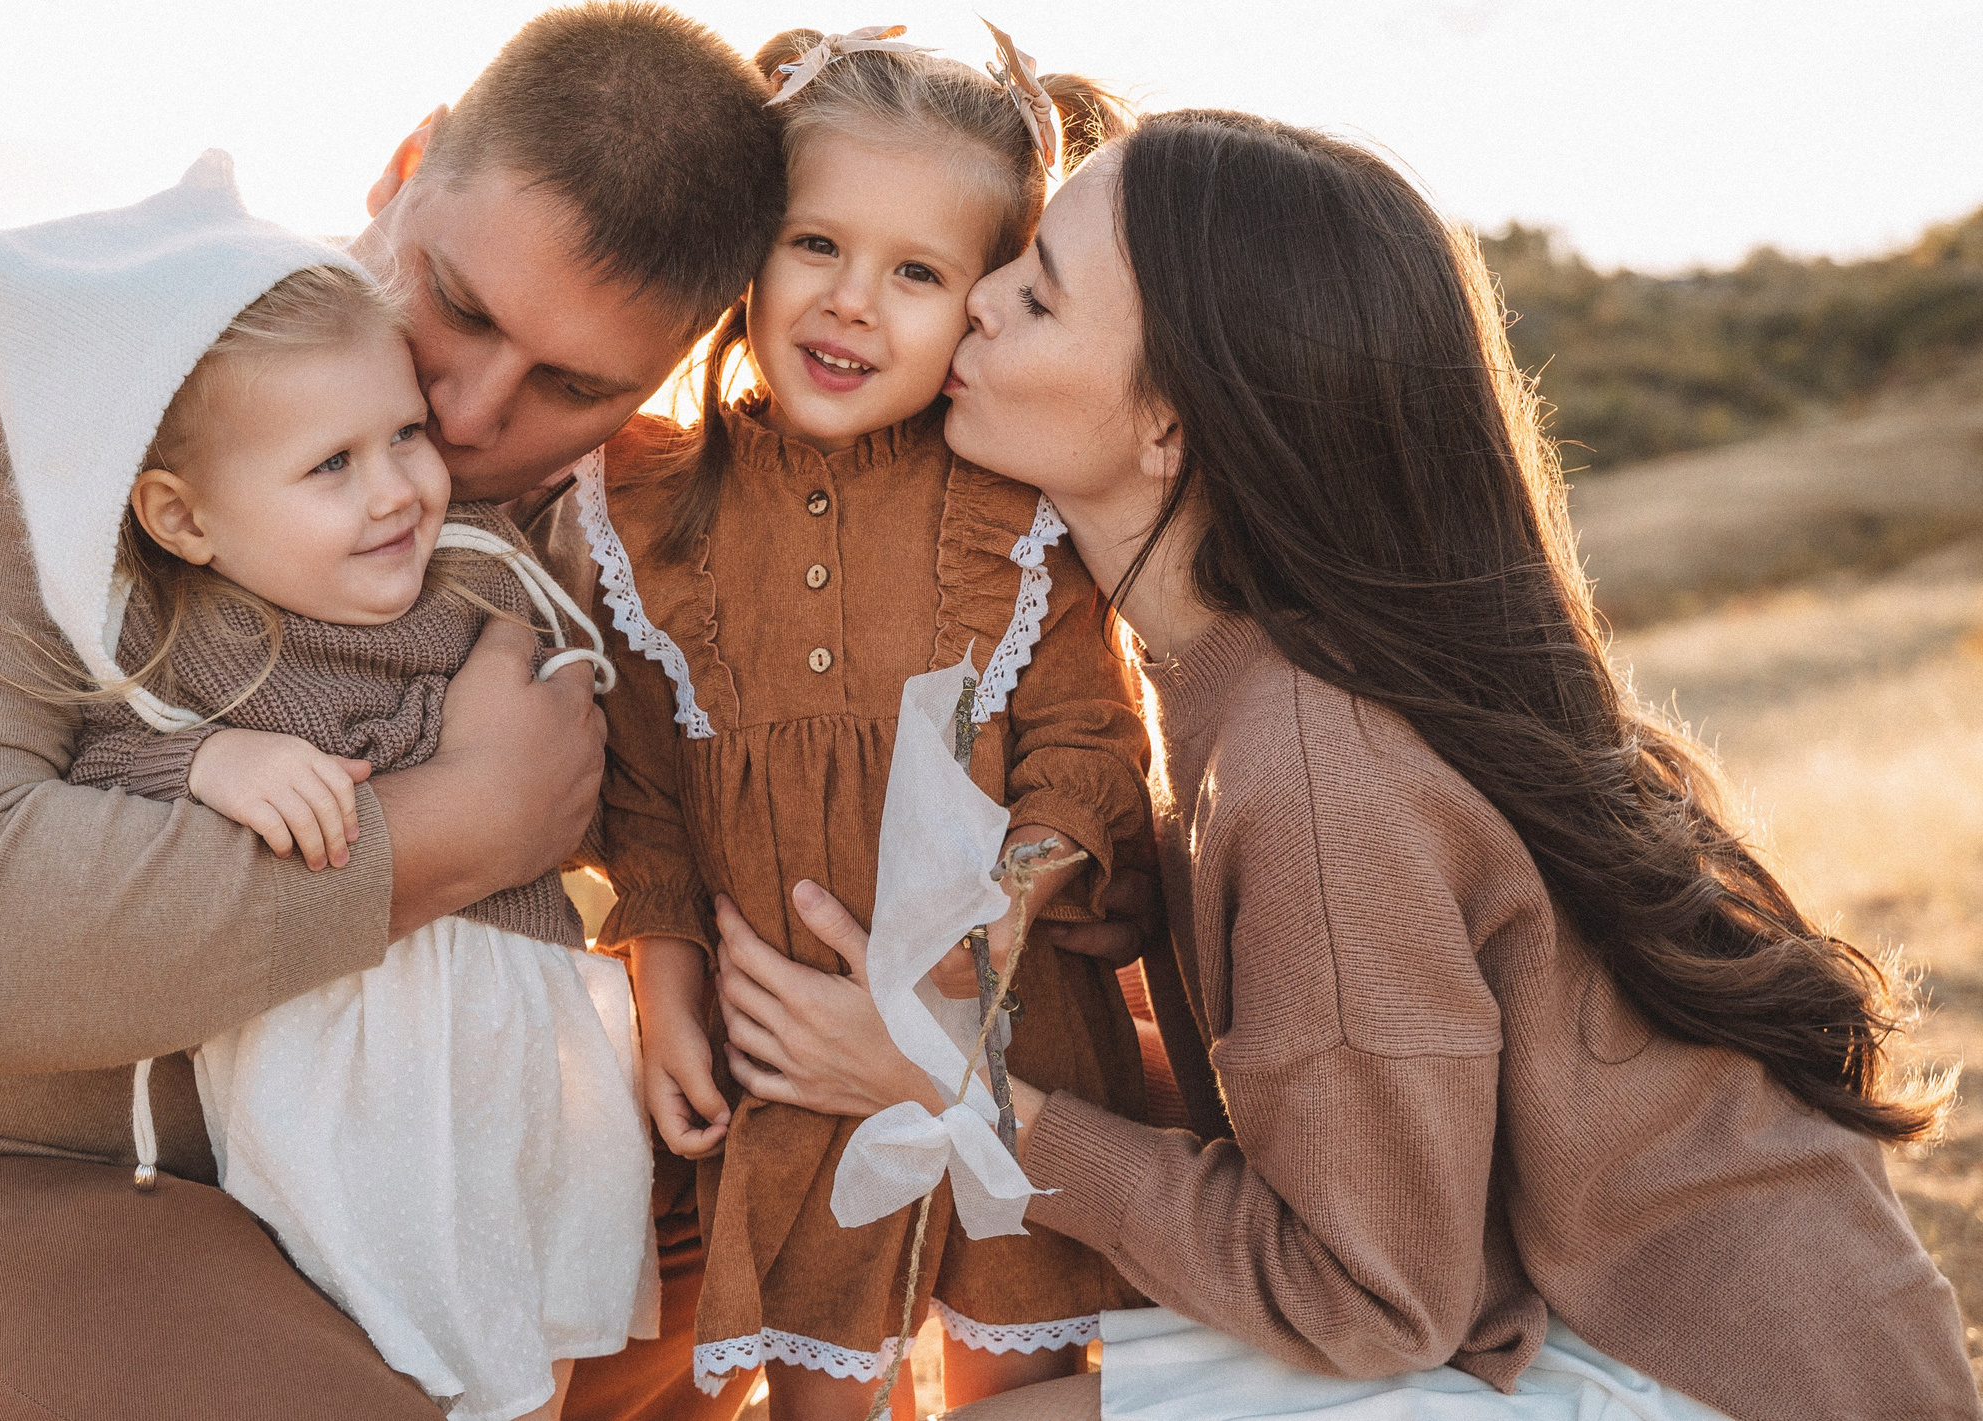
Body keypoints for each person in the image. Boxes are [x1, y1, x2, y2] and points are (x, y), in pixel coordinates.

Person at [707, 110, 1979, 1419]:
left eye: (1036, 292)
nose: (972, 301)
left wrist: (960, 1095)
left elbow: (1373, 1297)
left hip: (1704, 1388)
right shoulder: (1248, 686)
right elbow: (1345, 1119)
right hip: (1593, 1331)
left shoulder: (1315, 759)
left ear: (1169, 428)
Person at [0, 0, 785, 1419]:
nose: (475, 409)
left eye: (575, 386)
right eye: (462, 303)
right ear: (403, 164)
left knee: (850, 1164)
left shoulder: (603, 512)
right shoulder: (49, 383)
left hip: (380, 1156)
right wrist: (461, 827)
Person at [0, 183, 656, 1421]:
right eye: (331, 465)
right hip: (337, 1073)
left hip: (519, 1055)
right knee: (384, 1348)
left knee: (529, 1354)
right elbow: (92, 772)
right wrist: (208, 766)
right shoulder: (198, 647)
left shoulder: (483, 575)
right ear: (184, 518)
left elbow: (585, 742)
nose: (397, 490)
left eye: (405, 435)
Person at [580, 25, 1157, 1420]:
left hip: (995, 1027)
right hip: (782, 1028)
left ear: (982, 303)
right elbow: (648, 784)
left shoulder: (1011, 509)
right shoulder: (652, 506)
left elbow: (1091, 745)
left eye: (916, 273)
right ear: (748, 253)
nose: (852, 303)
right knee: (817, 1384)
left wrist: (1001, 916)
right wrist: (664, 986)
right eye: (815, 245)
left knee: (1014, 1380)